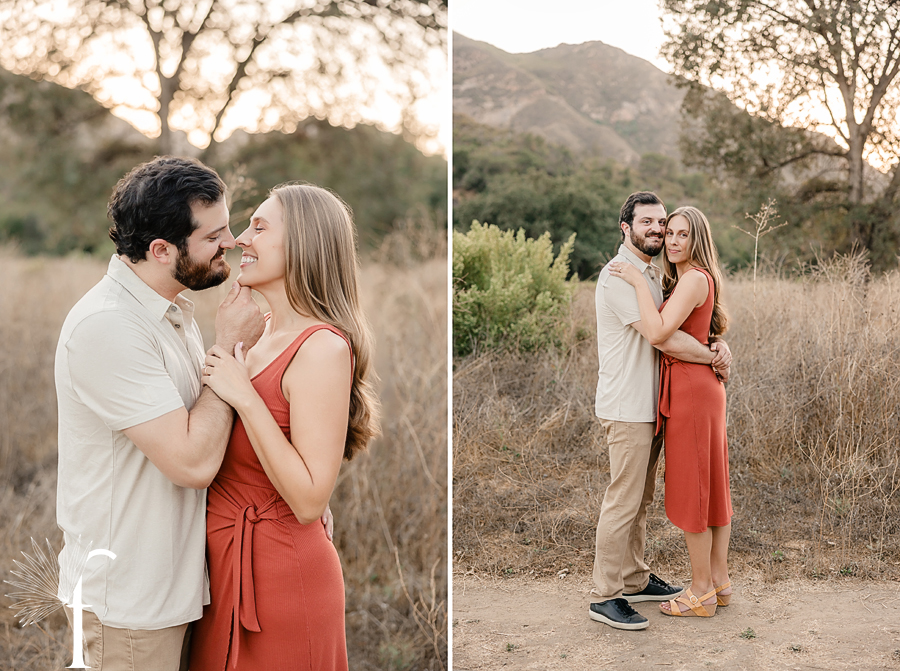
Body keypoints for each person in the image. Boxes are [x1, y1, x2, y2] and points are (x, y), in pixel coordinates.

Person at [55, 156, 266, 670]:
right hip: (127, 603)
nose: (233, 242)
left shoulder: (170, 310)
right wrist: (230, 344)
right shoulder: (109, 327)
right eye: (214, 236)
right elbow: (192, 463)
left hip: (172, 590)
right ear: (161, 249)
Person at [188, 183, 379, 670]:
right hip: (222, 571)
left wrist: (243, 396)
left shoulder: (323, 348)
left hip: (283, 579)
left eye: (259, 227)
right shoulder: (260, 334)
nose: (238, 240)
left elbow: (310, 499)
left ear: (303, 244)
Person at [589, 192, 732, 631]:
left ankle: (633, 577)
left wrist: (715, 344)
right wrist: (713, 356)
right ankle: (606, 594)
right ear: (625, 227)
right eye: (648, 223)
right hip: (628, 405)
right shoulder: (621, 276)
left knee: (641, 499)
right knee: (623, 499)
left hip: (656, 403)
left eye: (664, 224)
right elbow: (663, 338)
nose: (658, 231)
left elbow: (686, 322)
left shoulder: (657, 275)